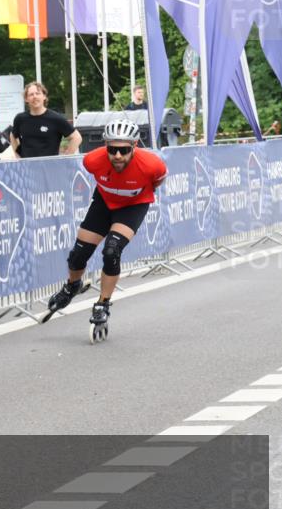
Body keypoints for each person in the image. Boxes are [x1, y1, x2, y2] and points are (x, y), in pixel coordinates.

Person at [44, 117, 167, 329]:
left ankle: (103, 303)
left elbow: (157, 181)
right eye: (112, 150)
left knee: (111, 250)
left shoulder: (152, 165)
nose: (117, 156)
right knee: (78, 254)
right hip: (104, 202)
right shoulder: (91, 161)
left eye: (124, 150)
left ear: (135, 146)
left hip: (133, 205)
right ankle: (72, 286)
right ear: (105, 146)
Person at [9, 81, 82, 158]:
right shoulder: (20, 119)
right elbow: (12, 135)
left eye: (38, 93)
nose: (35, 96)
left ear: (44, 97)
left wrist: (65, 158)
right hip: (27, 167)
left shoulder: (56, 119)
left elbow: (77, 137)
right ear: (26, 99)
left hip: (49, 167)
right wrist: (17, 155)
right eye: (31, 94)